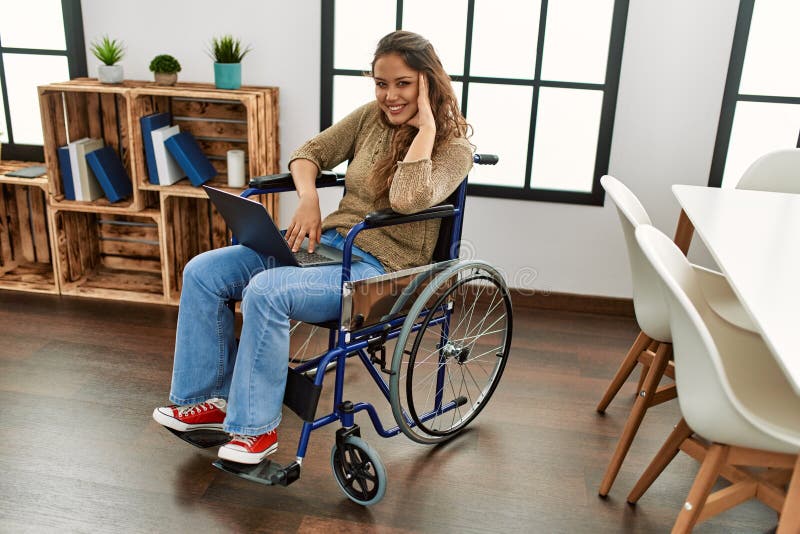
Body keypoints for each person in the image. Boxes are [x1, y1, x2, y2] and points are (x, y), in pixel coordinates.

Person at [152, 30, 473, 465]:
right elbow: (310, 152)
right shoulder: (369, 118)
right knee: (204, 272)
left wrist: (428, 127)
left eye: (404, 83)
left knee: (266, 290)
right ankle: (206, 401)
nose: (390, 95)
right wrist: (308, 198)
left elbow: (407, 200)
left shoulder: (455, 148)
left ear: (429, 83)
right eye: (381, 83)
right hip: (325, 247)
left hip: (378, 272)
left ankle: (256, 434)